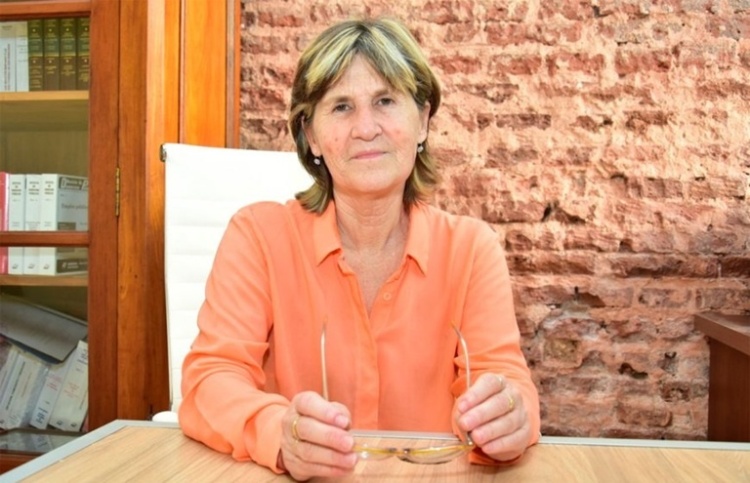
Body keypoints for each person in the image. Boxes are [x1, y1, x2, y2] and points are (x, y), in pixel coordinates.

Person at [179, 16, 540, 481]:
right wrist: (280, 433)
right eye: (341, 106)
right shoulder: (257, 236)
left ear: (423, 120)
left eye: (385, 101)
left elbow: (506, 381)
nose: (366, 128)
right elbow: (210, 380)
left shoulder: (471, 249)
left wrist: (509, 416)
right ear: (311, 135)